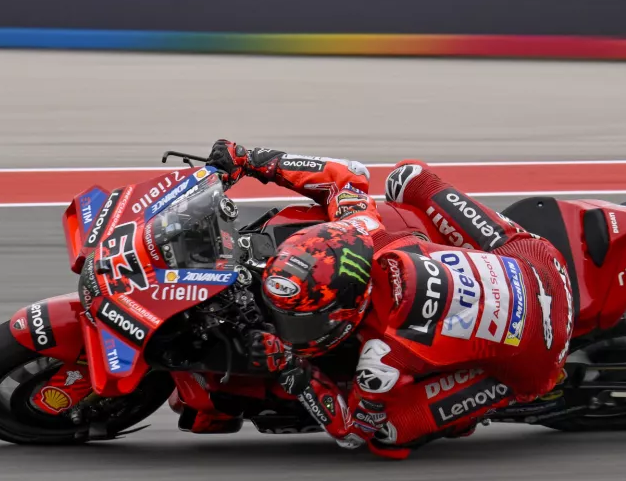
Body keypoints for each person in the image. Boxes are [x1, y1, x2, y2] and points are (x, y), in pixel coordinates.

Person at [207, 140, 574, 459]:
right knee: (408, 178)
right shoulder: (364, 230)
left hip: (538, 353)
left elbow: (351, 432)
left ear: (348, 311)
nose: (289, 328)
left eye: (303, 321)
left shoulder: (380, 360)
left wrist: (291, 369)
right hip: (536, 262)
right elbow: (344, 175)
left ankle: (497, 401)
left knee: (389, 435)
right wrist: (251, 159)